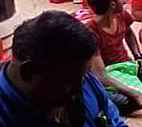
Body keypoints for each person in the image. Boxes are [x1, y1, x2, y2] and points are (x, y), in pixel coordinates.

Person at [0, 10, 129, 126]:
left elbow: (113, 119)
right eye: (67, 82)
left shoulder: (80, 77)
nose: (79, 90)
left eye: (83, 78)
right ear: (28, 72)